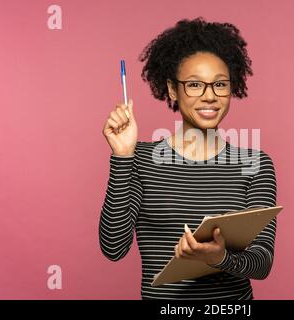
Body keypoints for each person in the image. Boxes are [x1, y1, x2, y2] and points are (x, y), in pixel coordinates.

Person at [99, 17, 277, 300]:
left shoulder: (255, 163)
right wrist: (122, 156)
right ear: (173, 89)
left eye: (220, 85)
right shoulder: (142, 159)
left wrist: (220, 258)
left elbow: (262, 262)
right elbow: (113, 248)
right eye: (195, 85)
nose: (209, 97)